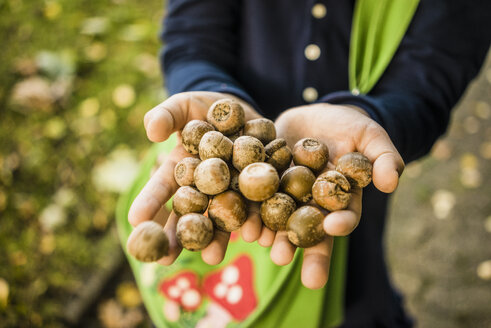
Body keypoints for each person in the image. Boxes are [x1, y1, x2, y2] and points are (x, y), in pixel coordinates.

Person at [117, 0, 490, 327]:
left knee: (354, 288)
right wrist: (213, 95)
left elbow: (439, 62)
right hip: (245, 133)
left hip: (340, 163)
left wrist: (370, 116)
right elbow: (191, 37)